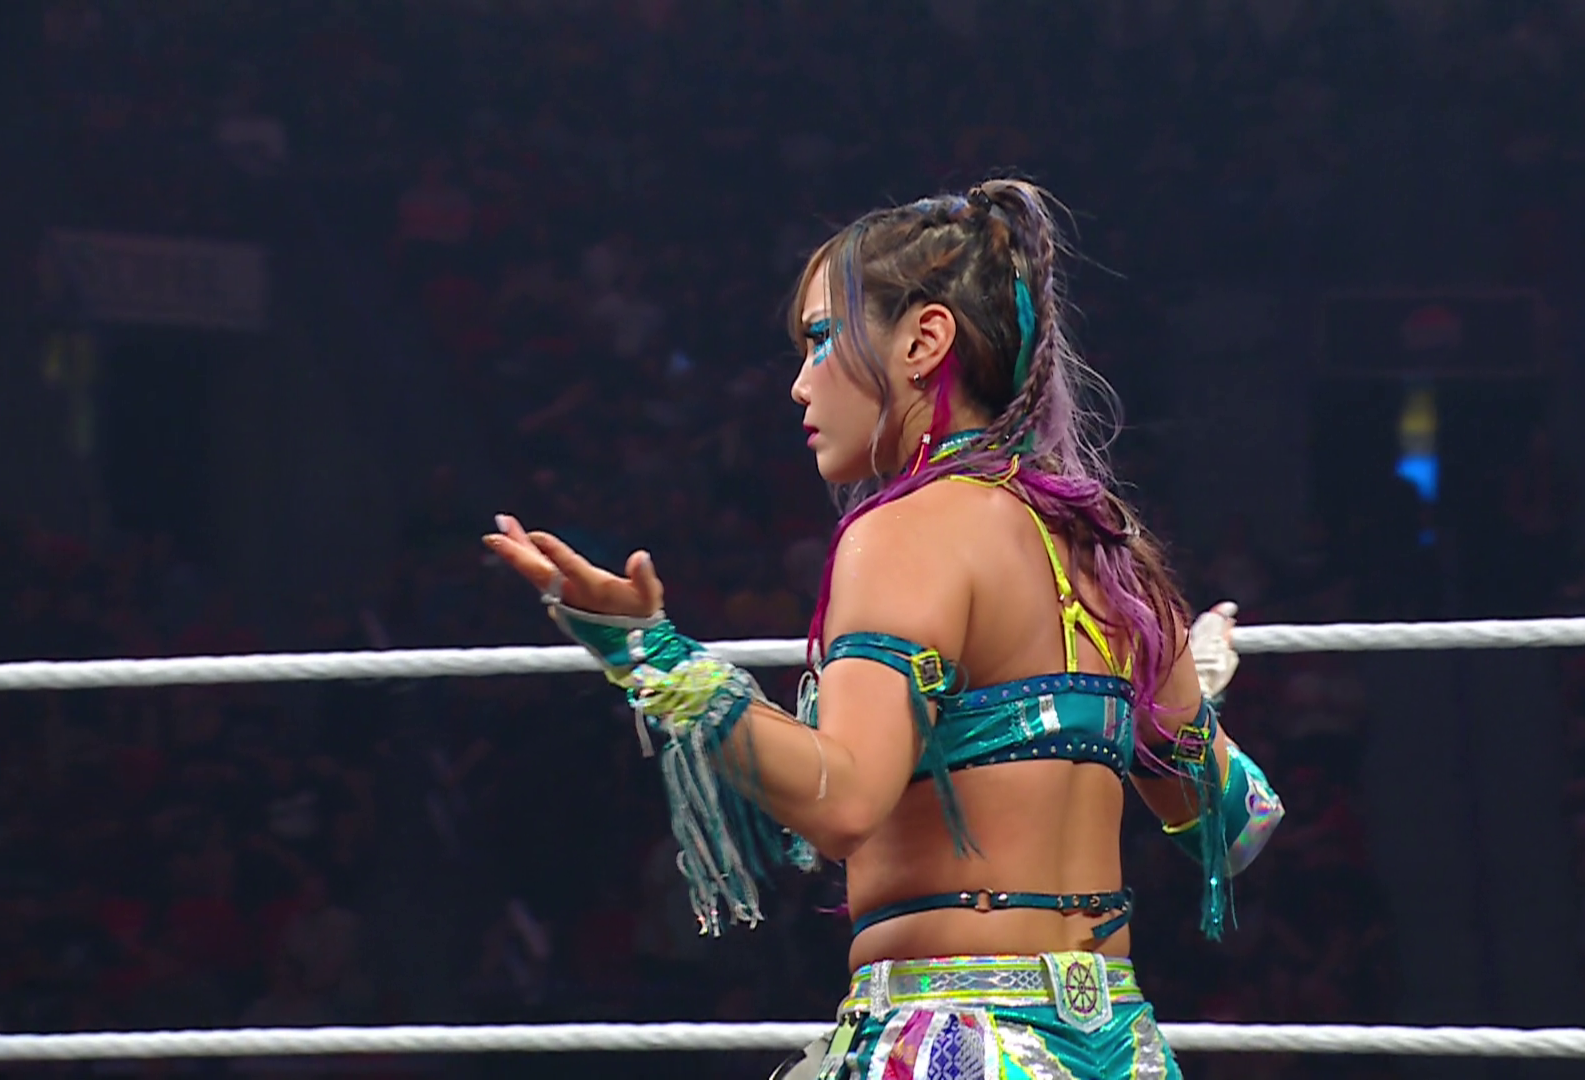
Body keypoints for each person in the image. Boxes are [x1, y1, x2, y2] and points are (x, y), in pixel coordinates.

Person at [484, 179, 1283, 1079]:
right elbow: (1235, 827)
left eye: (822, 339)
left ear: (923, 341)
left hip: (958, 1046)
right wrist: (1190, 698)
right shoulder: (1110, 549)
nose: (799, 383)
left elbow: (842, 802)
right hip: (1123, 1050)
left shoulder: (906, 532)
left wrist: (652, 657)